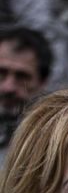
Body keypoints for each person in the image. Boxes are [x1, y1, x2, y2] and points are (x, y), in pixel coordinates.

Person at [0, 25, 46, 164]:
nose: (8, 88)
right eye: (1, 73)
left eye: (21, 76)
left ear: (42, 82)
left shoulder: (48, 142)